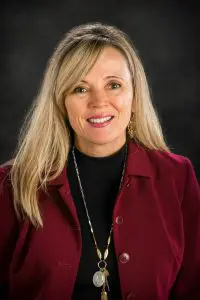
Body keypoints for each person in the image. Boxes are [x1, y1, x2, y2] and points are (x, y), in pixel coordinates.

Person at [0, 22, 199, 300]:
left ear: (134, 94)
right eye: (80, 89)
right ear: (61, 101)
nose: (98, 102)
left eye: (114, 85)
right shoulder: (12, 184)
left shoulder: (178, 178)